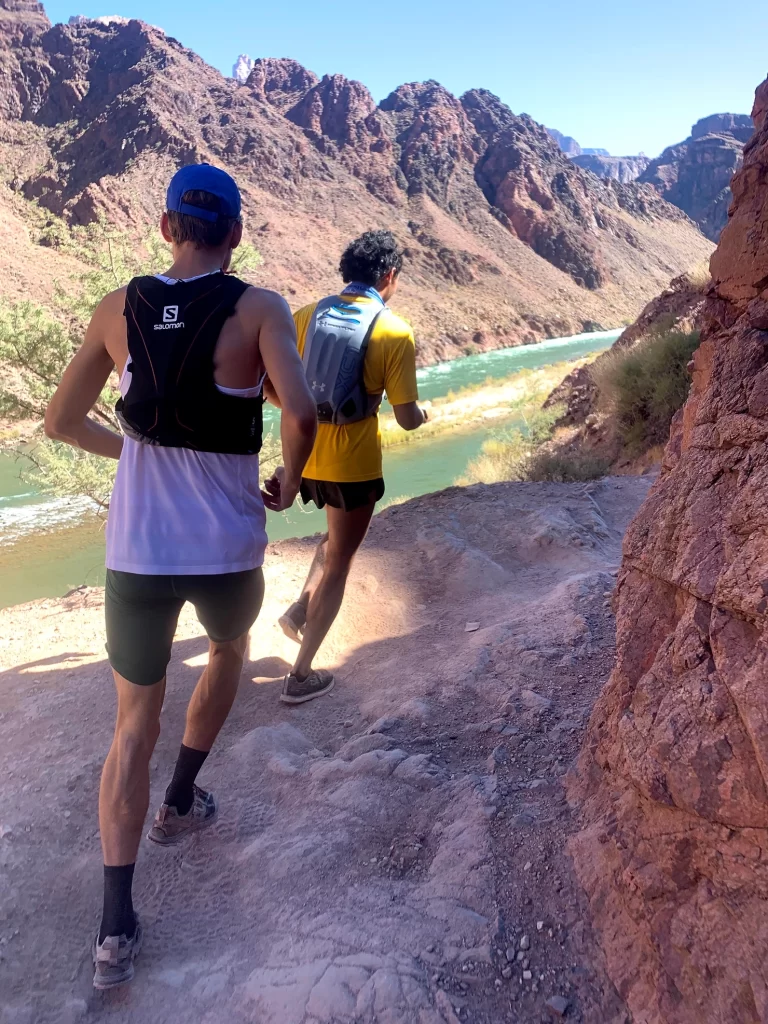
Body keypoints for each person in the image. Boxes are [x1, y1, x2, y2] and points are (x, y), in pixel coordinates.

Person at [44, 163, 317, 990]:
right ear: (234, 234)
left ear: (168, 228)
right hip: (227, 546)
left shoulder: (115, 308)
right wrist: (291, 480)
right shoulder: (258, 307)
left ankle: (114, 928)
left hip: (137, 551)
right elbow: (300, 413)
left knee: (133, 724)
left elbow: (60, 420)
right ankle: (181, 802)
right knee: (229, 653)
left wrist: (130, 449)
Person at [272, 229, 427, 704]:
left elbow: (268, 386)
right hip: (352, 466)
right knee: (341, 560)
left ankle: (301, 608)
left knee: (334, 538)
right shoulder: (394, 332)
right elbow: (406, 419)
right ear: (390, 276)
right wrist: (424, 415)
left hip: (303, 455)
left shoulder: (303, 317)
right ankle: (300, 677)